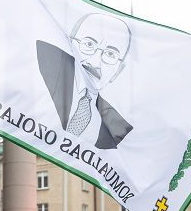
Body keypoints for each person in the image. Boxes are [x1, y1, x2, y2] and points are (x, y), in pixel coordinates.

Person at [37, 12, 133, 149]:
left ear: (118, 70)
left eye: (110, 54)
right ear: (69, 45)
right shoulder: (41, 81)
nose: (95, 62)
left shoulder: (119, 131)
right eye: (88, 44)